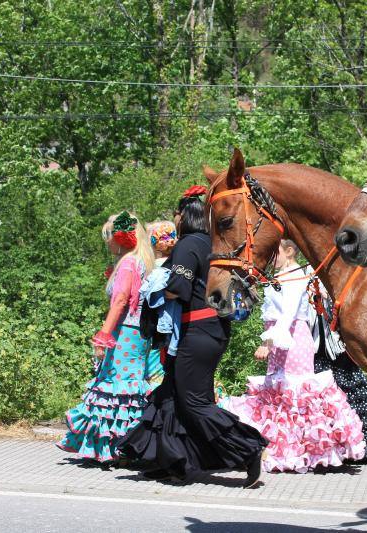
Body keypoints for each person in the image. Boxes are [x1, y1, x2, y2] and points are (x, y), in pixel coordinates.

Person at [117, 186, 267, 488]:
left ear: (184, 216)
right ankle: (169, 460)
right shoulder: (211, 242)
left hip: (198, 331)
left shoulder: (187, 246)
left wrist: (152, 291)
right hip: (209, 330)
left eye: (176, 214)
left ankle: (247, 449)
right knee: (169, 395)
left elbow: (178, 290)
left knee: (194, 402)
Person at [227, 240, 365, 472]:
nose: (271, 258)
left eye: (275, 253)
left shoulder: (295, 276)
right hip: (281, 339)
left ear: (289, 252)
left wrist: (268, 342)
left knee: (297, 395)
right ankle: (285, 451)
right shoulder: (280, 276)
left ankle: (308, 452)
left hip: (292, 340)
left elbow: (289, 313)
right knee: (281, 396)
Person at [57, 212, 156, 464]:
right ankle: (124, 445)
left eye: (109, 235)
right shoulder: (140, 262)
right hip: (137, 334)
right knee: (127, 388)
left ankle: (114, 447)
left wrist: (103, 337)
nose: (107, 242)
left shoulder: (127, 263)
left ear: (121, 237)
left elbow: (121, 300)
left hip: (125, 333)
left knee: (116, 387)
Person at [310, 283, 367, 461]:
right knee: (324, 397)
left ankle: (366, 445)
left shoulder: (336, 277)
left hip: (337, 339)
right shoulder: (306, 276)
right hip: (317, 340)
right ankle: (332, 448)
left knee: (351, 387)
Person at [143, 220, 178, 386]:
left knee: (159, 365)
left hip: (159, 326)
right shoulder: (178, 266)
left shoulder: (155, 269)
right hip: (177, 324)